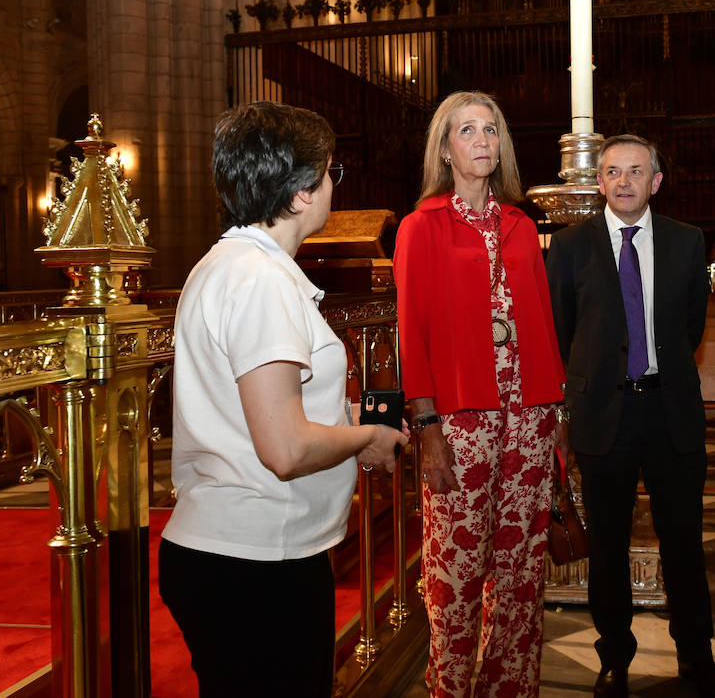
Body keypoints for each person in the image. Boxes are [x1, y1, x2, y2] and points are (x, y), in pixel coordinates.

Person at [160, 101, 408, 698]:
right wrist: (369, 437)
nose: (331, 186)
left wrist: (344, 418)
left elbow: (262, 415)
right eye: (329, 173)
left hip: (238, 555)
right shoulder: (260, 281)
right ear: (299, 194)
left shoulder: (232, 264)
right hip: (255, 562)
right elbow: (286, 448)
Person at [546, 135, 715, 698]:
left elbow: (688, 330)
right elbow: (562, 330)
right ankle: (614, 658)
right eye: (611, 172)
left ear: (656, 181)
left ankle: (696, 659)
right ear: (599, 181)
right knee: (607, 545)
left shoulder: (685, 241)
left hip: (670, 409)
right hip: (604, 415)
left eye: (635, 171)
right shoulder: (570, 246)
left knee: (684, 544)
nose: (623, 182)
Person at [394, 90, 567, 697]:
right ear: (446, 148)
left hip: (531, 419)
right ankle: (451, 688)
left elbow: (542, 325)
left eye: (491, 130)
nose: (483, 141)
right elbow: (411, 333)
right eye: (468, 131)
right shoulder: (420, 228)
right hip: (459, 421)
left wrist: (556, 419)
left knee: (521, 574)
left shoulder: (521, 225)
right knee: (457, 573)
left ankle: (511, 691)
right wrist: (427, 427)